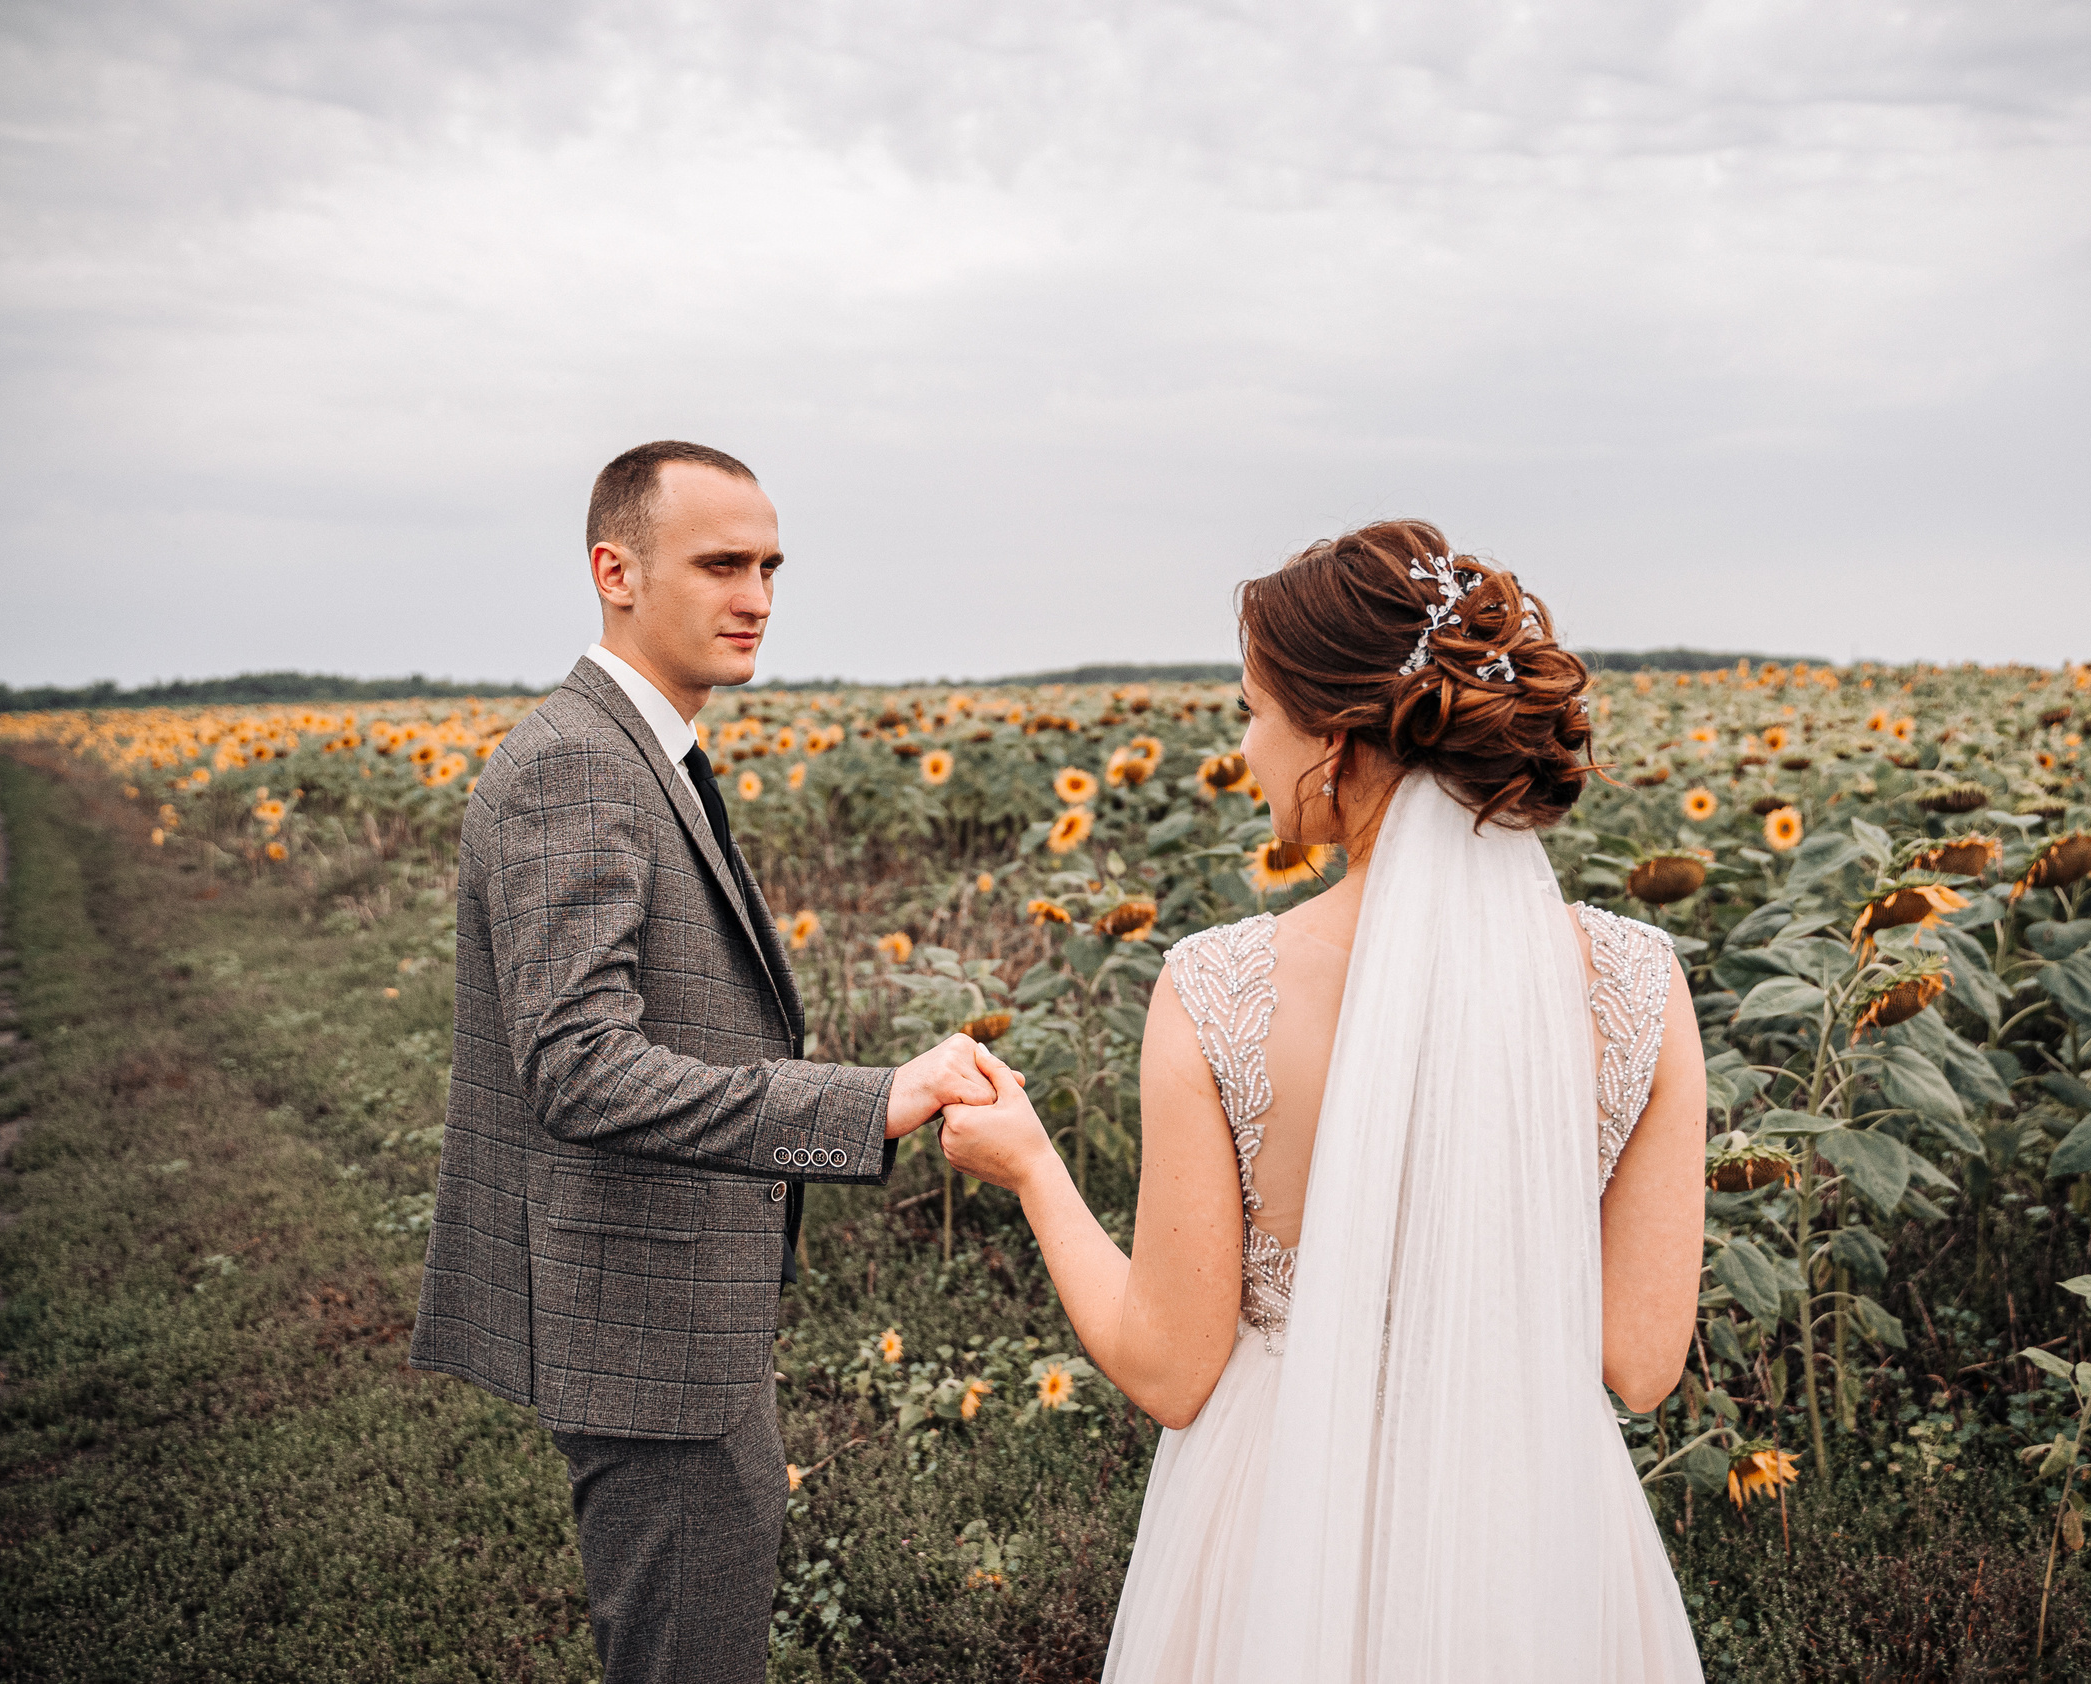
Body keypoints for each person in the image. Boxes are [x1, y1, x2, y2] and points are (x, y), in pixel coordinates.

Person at [939, 520, 1709, 1682]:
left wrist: (1036, 1170)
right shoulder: (1640, 983)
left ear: (1337, 738)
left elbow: (1171, 1368)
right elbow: (1642, 1362)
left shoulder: (1217, 987)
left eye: (1252, 709)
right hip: (1533, 1526)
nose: (1242, 745)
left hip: (1278, 1517)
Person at [408, 440, 998, 1684]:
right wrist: (870, 1100)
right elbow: (578, 1067)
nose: (758, 597)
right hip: (644, 1333)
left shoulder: (636, 751)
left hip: (678, 1312)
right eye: (721, 563)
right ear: (611, 569)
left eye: (772, 566)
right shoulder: (576, 763)